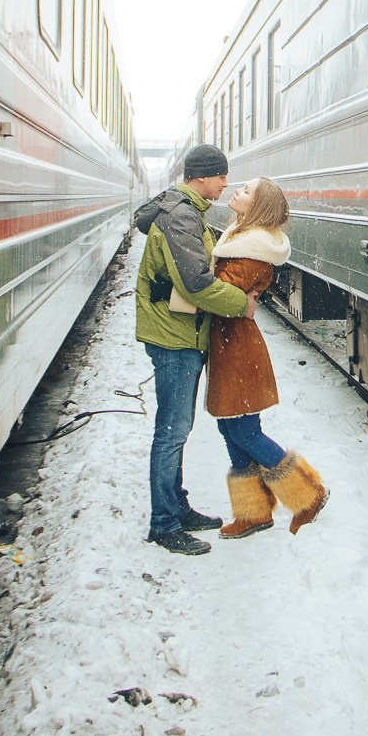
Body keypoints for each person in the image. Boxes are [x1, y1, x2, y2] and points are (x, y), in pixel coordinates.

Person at [130, 143, 253, 554]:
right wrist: (241, 304)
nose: (225, 184)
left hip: (180, 333)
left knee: (176, 429)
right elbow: (196, 282)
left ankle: (176, 507)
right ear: (201, 176)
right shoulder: (181, 216)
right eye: (221, 176)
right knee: (172, 431)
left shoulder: (185, 210)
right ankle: (164, 524)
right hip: (173, 337)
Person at [201, 178, 327, 536]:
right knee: (231, 426)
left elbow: (217, 291)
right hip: (231, 344)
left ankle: (308, 494)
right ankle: (253, 512)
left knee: (245, 430)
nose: (236, 192)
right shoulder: (244, 240)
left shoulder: (252, 250)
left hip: (239, 349)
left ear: (257, 206)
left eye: (246, 191)